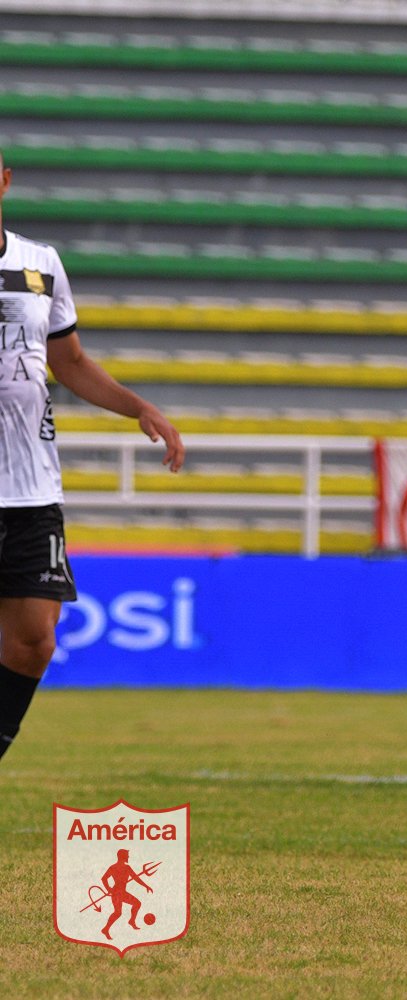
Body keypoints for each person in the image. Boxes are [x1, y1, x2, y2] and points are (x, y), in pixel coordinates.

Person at [0, 147, 185, 764]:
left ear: (4, 180)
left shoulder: (40, 263)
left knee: (35, 641)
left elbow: (69, 361)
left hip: (31, 487)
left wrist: (139, 408)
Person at [99, 848, 154, 940]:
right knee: (118, 913)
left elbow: (136, 878)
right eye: (127, 855)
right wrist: (109, 889)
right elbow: (104, 878)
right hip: (116, 893)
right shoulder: (114, 867)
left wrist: (146, 886)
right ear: (123, 856)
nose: (128, 857)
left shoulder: (126, 868)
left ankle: (131, 921)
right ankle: (105, 929)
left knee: (137, 903)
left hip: (122, 893)